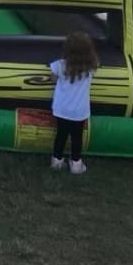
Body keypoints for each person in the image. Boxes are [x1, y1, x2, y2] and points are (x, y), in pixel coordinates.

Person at [49, 32, 97, 175]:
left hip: (62, 109)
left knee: (61, 135)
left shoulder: (60, 65)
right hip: (79, 111)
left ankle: (57, 161)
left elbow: (53, 79)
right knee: (77, 138)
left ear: (67, 49)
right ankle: (76, 164)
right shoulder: (91, 67)